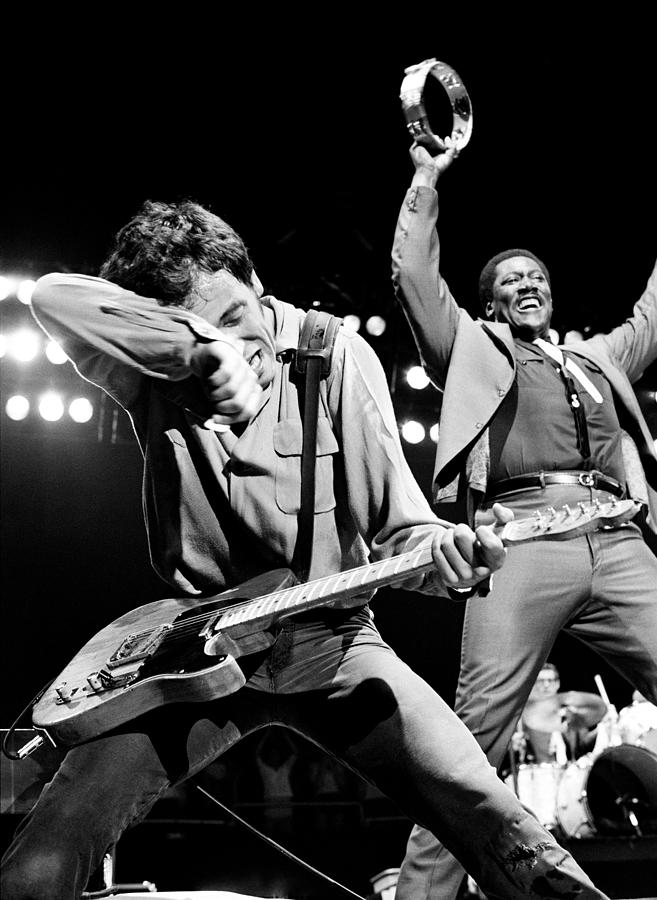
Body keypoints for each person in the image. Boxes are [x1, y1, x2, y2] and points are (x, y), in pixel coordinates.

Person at [0, 199, 609, 900]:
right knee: (36, 869)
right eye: (200, 328)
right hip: (193, 655)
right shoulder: (152, 368)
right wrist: (193, 350)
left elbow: (402, 530)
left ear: (255, 280)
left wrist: (453, 557)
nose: (237, 344)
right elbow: (51, 295)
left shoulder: (334, 351)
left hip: (334, 644)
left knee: (495, 820)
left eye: (233, 318)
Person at [391, 140, 657, 900]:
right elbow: (412, 275)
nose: (527, 284)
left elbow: (653, 310)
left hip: (616, 537)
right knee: (470, 741)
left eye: (536, 276)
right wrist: (426, 175)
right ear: (491, 305)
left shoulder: (598, 360)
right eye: (510, 280)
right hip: (523, 541)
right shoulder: (471, 348)